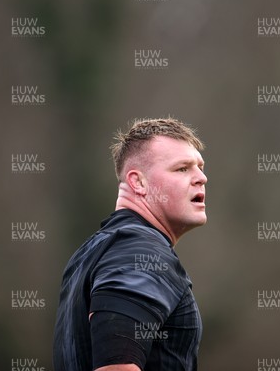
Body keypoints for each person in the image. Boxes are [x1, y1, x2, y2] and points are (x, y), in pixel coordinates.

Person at [53, 117, 208, 371]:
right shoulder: (139, 249)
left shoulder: (95, 250)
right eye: (182, 168)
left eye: (200, 167)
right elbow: (116, 367)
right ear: (138, 182)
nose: (201, 177)